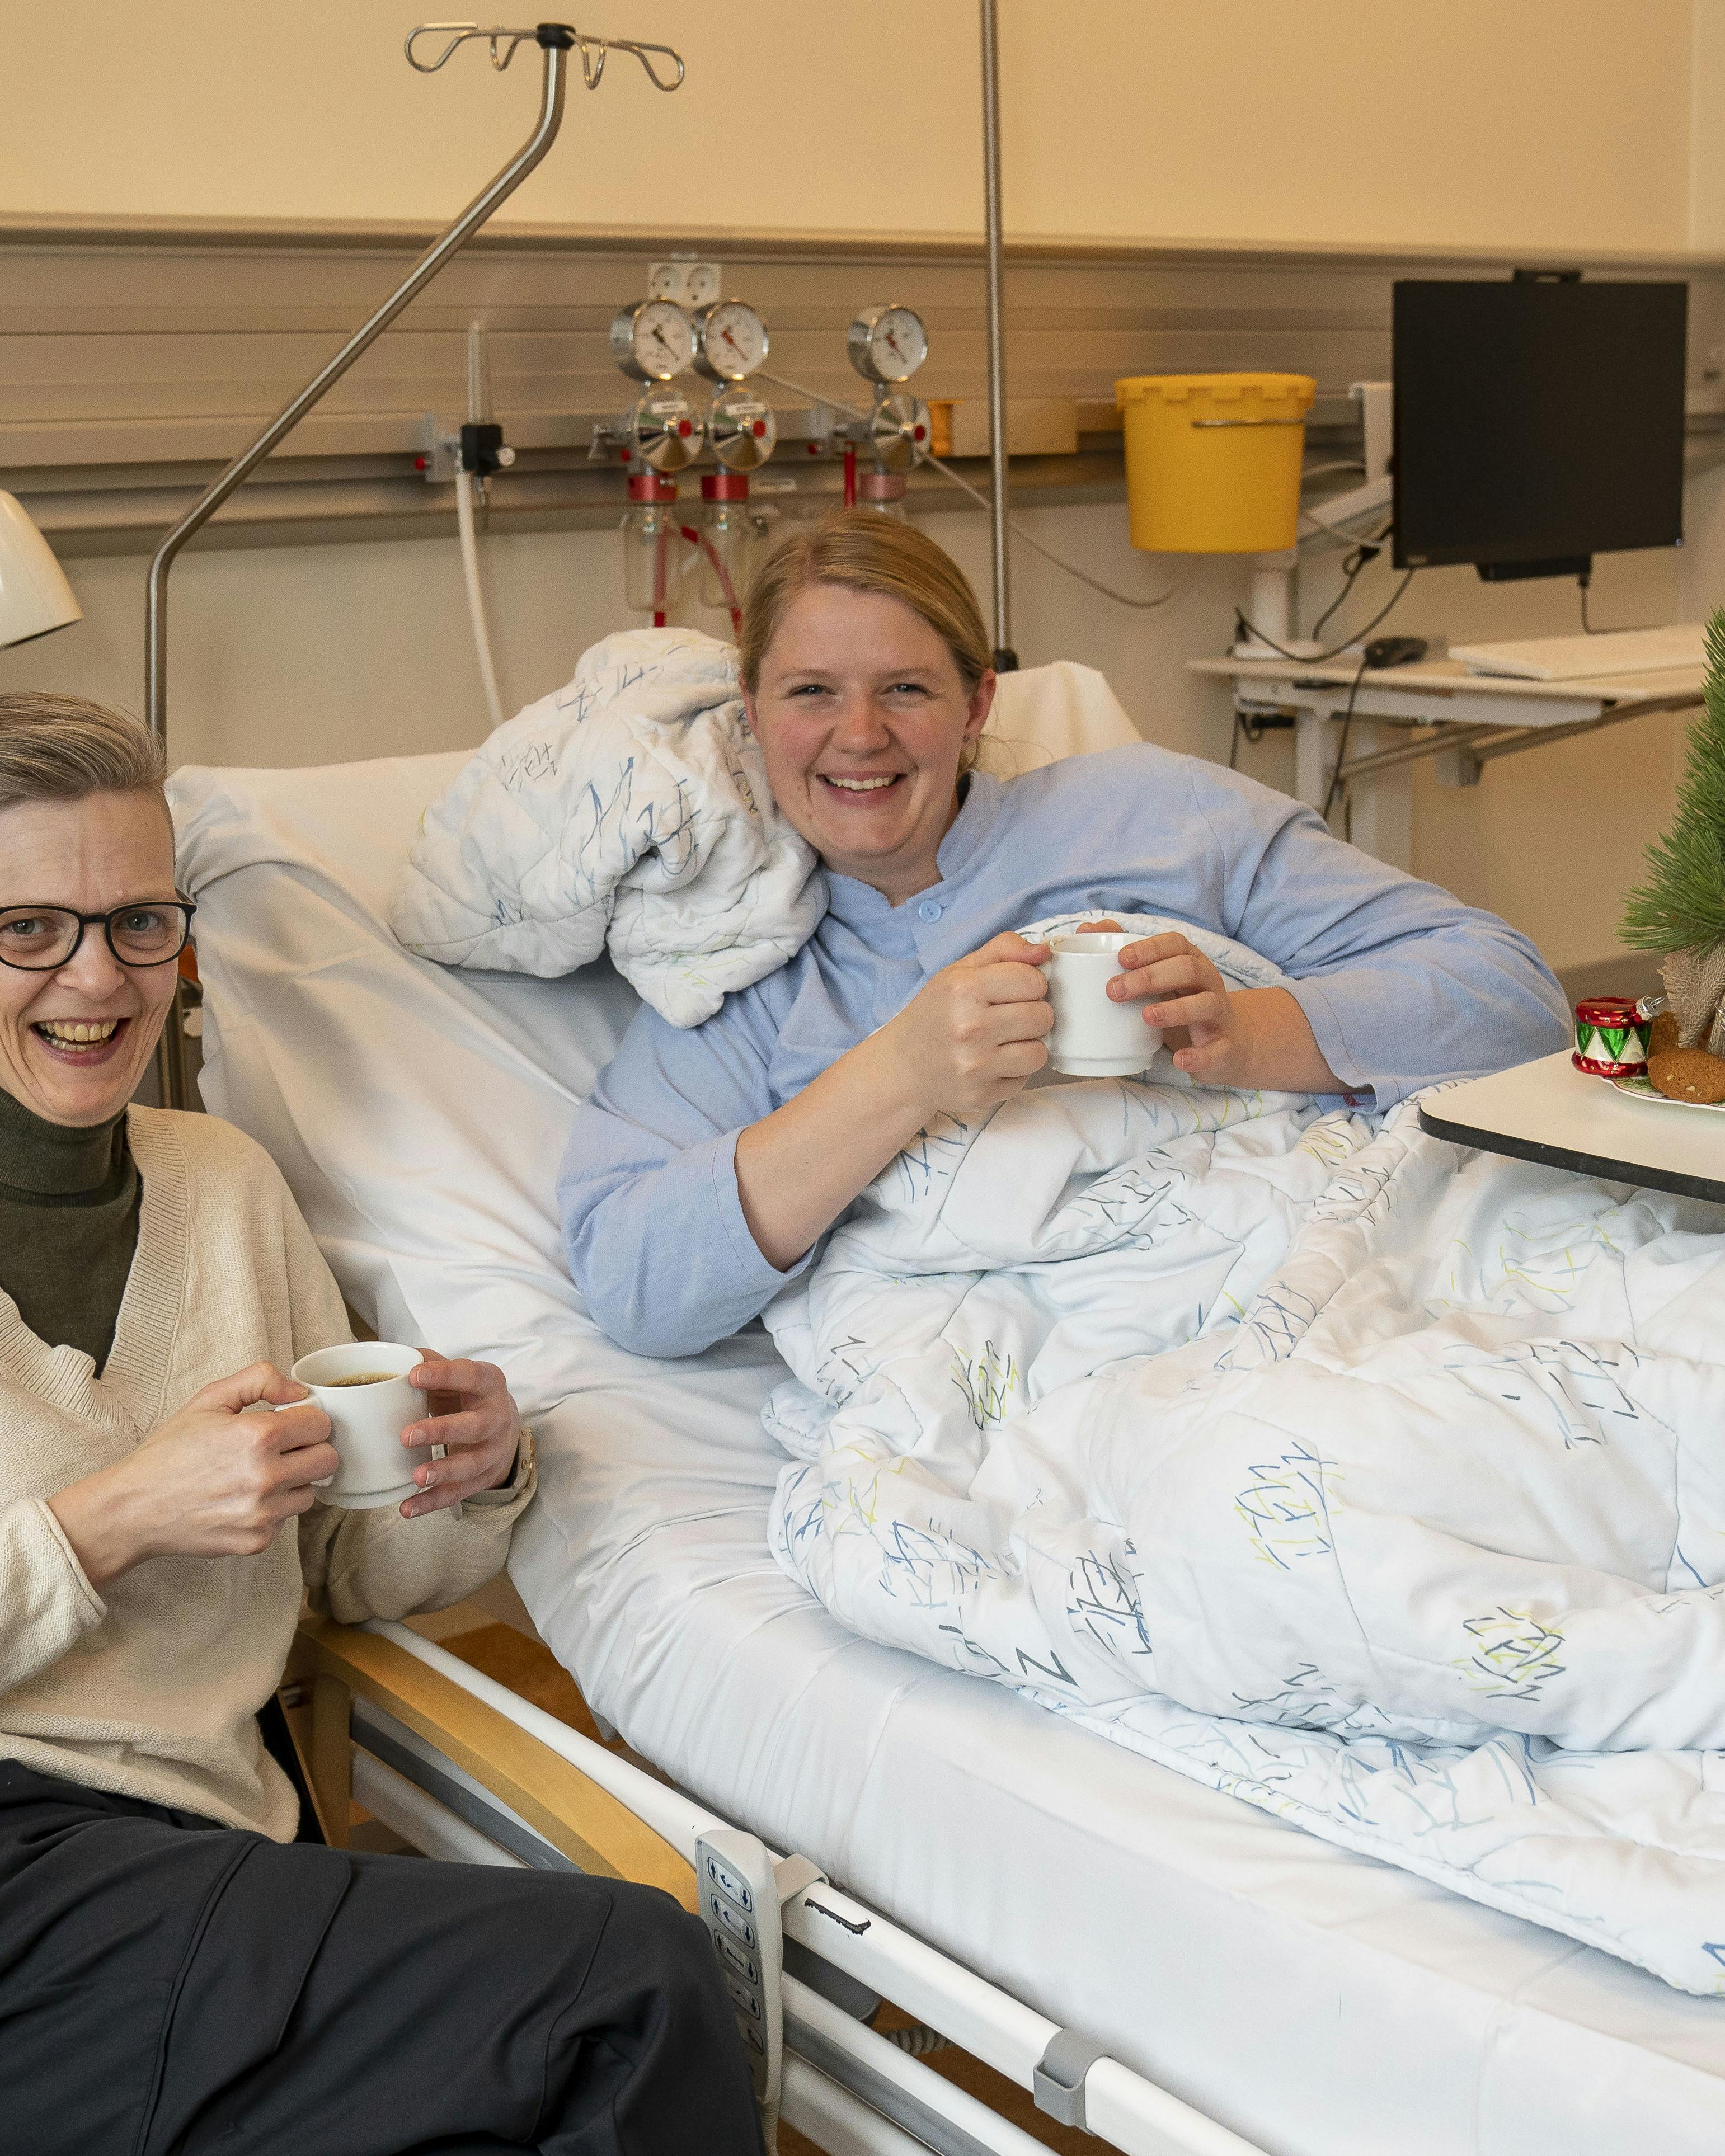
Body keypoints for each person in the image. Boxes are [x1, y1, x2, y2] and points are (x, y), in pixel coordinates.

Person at [0, 693, 761, 2156]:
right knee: (632, 1984)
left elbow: (330, 1582)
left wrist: (460, 1476)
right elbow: (155, 1518)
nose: (96, 975)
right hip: (42, 1879)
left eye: (139, 920)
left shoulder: (220, 1186)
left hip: (198, 1876)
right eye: (28, 926)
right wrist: (122, 1513)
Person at [560, 514, 1569, 1360]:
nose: (860, 733)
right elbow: (633, 1281)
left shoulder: (1156, 813)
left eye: (906, 689)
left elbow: (1515, 1001)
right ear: (754, 714)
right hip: (1077, 1384)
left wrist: (1242, 1034)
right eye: (811, 690)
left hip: (1352, 1298)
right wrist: (898, 1077)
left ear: (976, 703)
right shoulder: (742, 968)